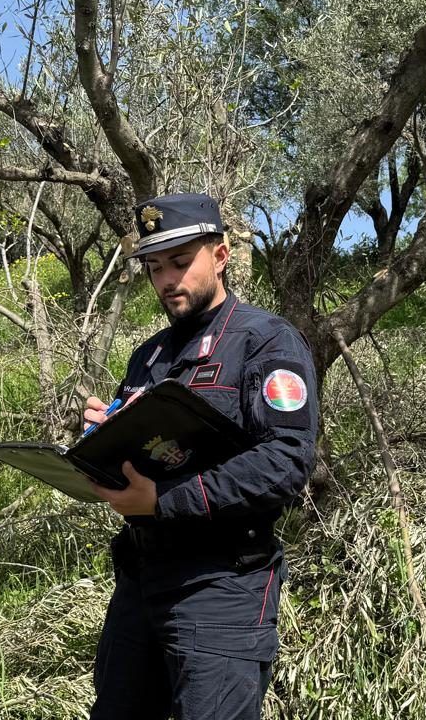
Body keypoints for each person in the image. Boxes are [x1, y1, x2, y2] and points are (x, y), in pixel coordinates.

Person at [82, 192, 320, 720]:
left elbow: (286, 460)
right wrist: (102, 440)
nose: (168, 280)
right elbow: (143, 451)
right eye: (155, 267)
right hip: (140, 584)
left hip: (222, 586)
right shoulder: (149, 355)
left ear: (221, 253)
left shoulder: (265, 341)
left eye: (181, 262)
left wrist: (163, 501)